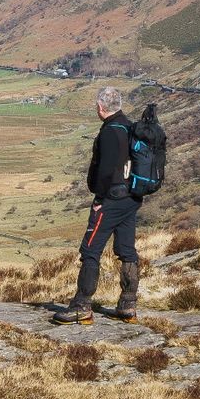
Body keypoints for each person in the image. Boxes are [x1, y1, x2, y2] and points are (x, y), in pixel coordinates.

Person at [53, 86, 140, 323]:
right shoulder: (130, 127)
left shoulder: (110, 131)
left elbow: (105, 170)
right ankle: (128, 305)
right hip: (131, 199)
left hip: (110, 200)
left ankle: (82, 305)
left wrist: (100, 199)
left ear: (101, 108)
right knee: (126, 250)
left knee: (90, 250)